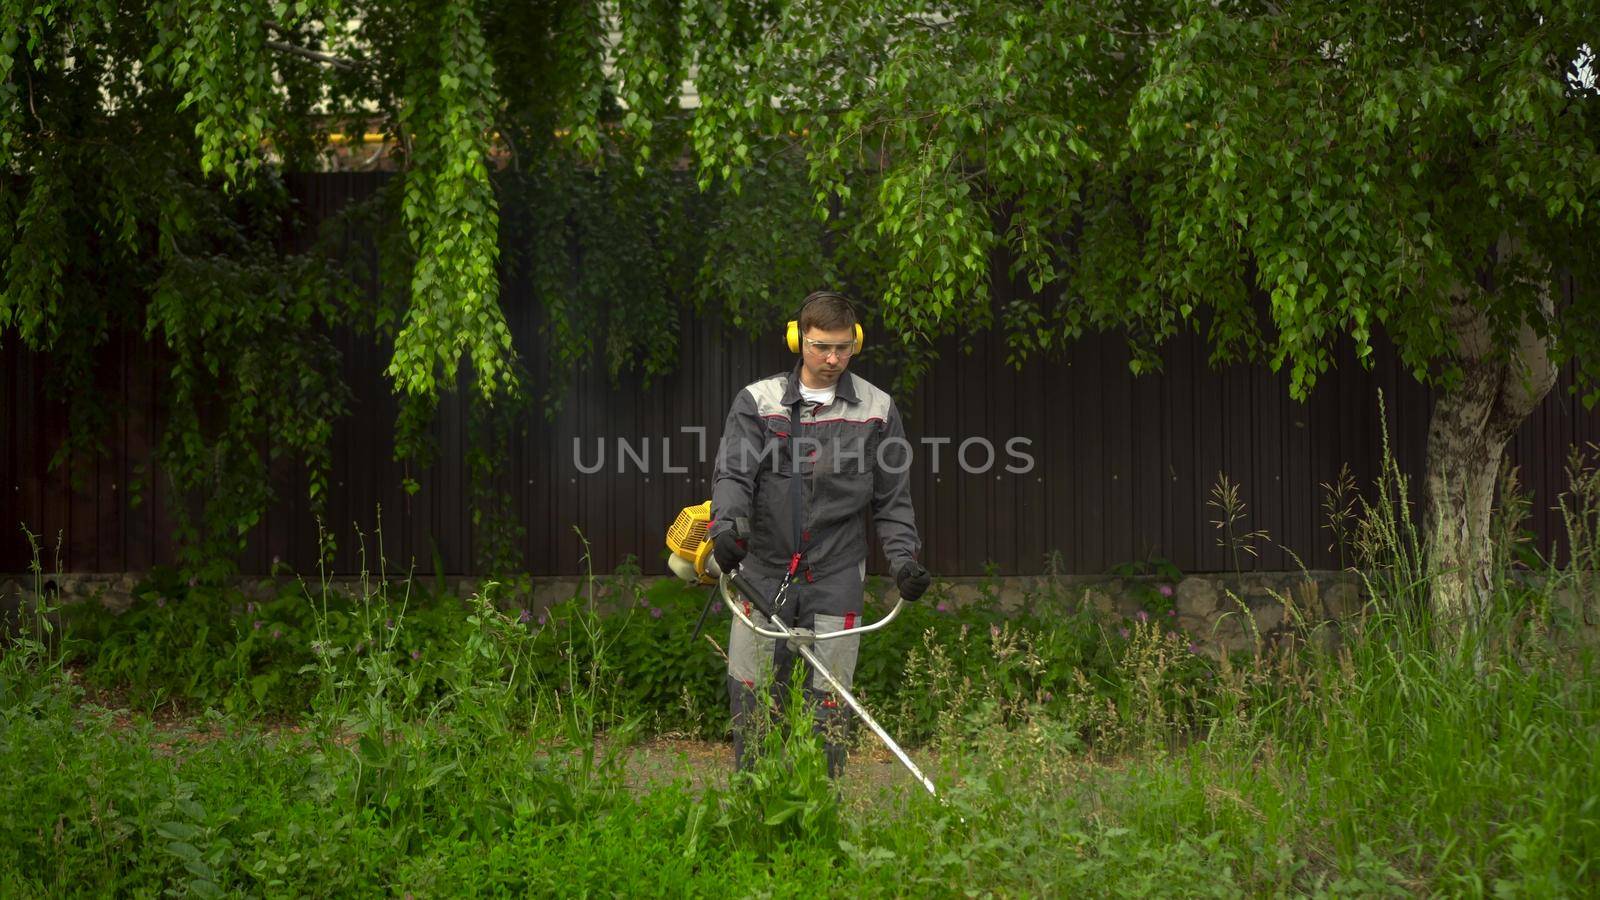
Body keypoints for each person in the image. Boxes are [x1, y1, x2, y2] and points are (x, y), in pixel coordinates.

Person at [708, 290, 931, 777]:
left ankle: (820, 807)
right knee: (752, 693)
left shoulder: (876, 409)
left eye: (843, 347)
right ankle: (756, 803)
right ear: (797, 339)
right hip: (761, 572)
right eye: (820, 346)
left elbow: (893, 501)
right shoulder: (758, 401)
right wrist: (727, 528)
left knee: (829, 704)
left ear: (856, 343)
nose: (832, 359)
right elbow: (733, 475)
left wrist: (904, 562)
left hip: (836, 573)